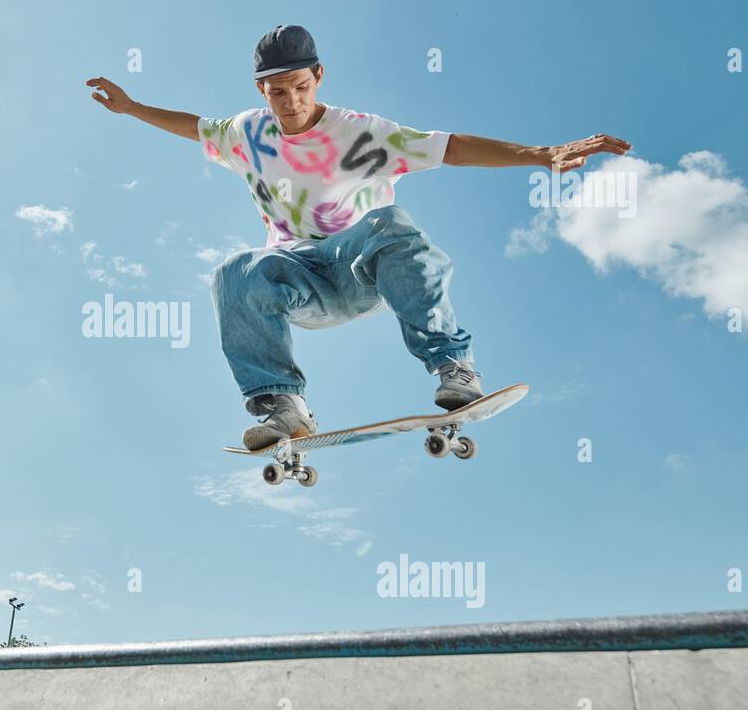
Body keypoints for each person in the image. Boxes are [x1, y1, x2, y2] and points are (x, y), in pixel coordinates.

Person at [87, 24, 630, 449]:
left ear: (318, 76)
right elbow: (194, 125)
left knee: (389, 223)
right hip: (300, 280)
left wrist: (540, 155)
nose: (291, 102)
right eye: (278, 92)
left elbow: (453, 147)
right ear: (261, 89)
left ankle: (451, 366)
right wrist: (132, 107)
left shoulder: (361, 132)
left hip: (364, 266)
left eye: (300, 87)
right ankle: (281, 403)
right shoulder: (246, 131)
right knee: (234, 271)